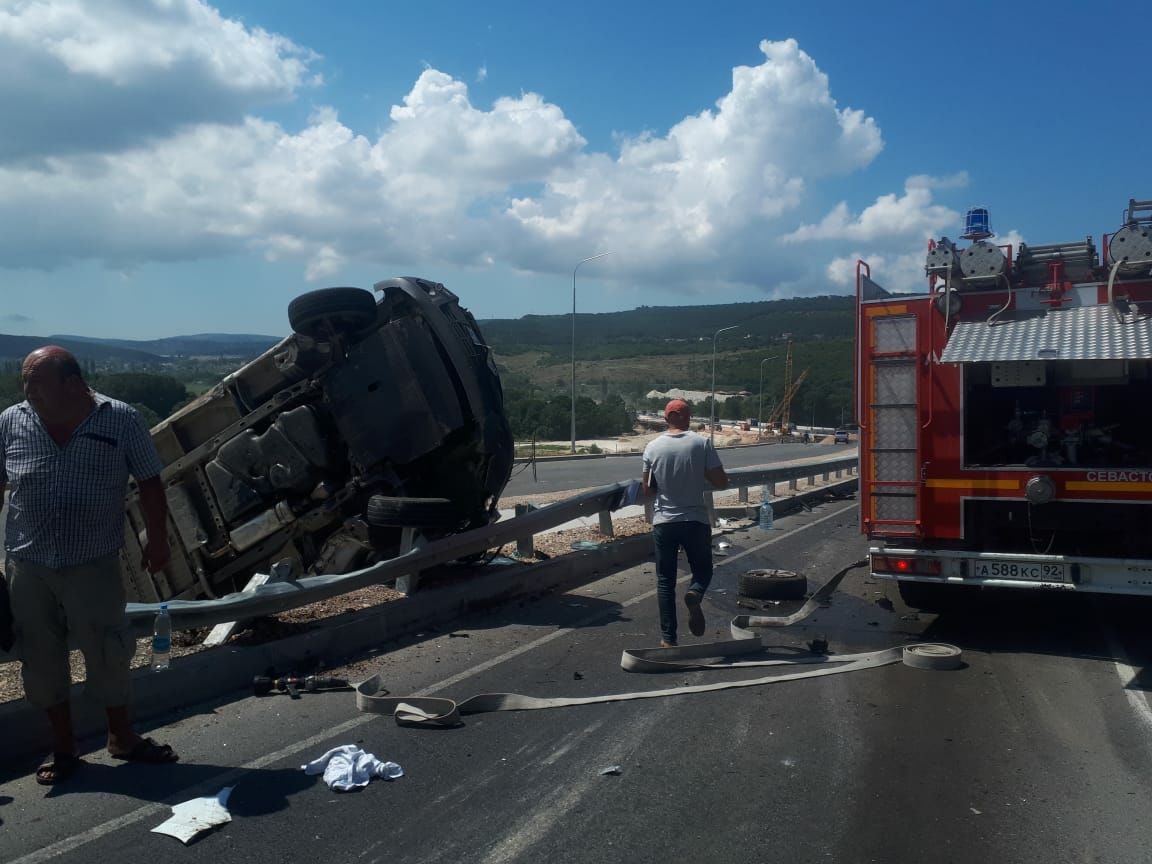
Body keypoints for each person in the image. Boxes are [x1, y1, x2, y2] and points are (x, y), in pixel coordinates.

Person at [0, 346, 179, 785]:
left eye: (37, 382)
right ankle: (64, 748)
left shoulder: (120, 418)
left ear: (72, 382)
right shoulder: (10, 421)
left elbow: (151, 481)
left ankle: (122, 737)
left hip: (92, 560)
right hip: (28, 563)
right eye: (25, 381)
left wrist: (157, 539)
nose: (27, 391)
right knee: (40, 660)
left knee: (108, 650)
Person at [641, 399, 728, 647]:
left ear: (667, 418)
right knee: (703, 570)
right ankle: (695, 592)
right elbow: (721, 481)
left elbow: (647, 490)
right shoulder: (702, 443)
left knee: (665, 581)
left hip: (664, 522)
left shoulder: (652, 447)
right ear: (687, 417)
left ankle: (669, 639)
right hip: (695, 521)